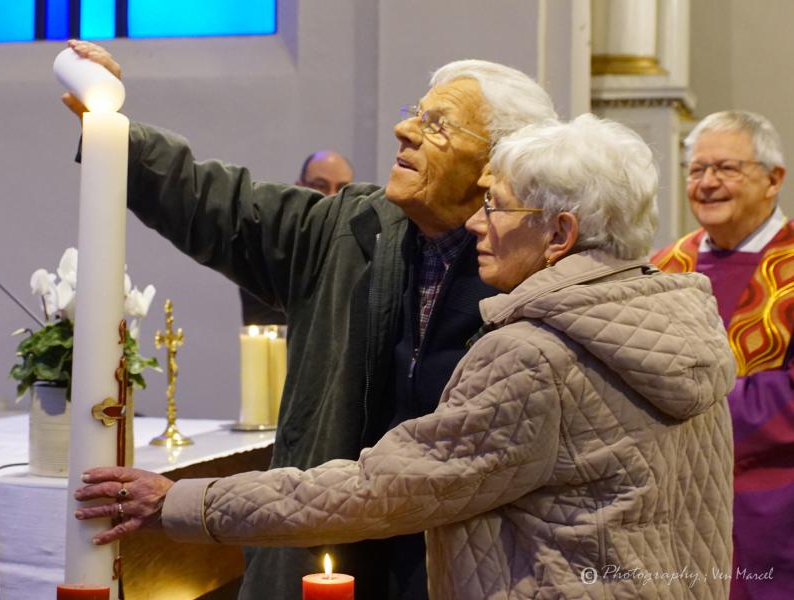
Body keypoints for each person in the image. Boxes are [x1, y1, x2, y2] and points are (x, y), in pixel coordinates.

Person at [74, 114, 736, 599]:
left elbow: (379, 489)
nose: (478, 223)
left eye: (496, 206)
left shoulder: (536, 356)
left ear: (559, 233)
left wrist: (186, 504)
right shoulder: (679, 326)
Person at [62, 40, 557, 599]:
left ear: (498, 165)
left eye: (437, 124)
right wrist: (113, 129)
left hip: (463, 572)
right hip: (323, 555)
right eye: (414, 113)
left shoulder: (534, 273)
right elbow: (214, 203)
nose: (406, 131)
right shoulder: (349, 229)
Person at [651, 110, 794, 599]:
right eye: (695, 170)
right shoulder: (663, 269)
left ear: (773, 179)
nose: (707, 183)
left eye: (726, 169)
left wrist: (691, 405)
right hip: (674, 507)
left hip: (773, 510)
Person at [240, 150, 355, 325]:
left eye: (342, 189)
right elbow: (269, 331)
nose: (333, 196)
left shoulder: (362, 251)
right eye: (321, 186)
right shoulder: (268, 250)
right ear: (299, 188)